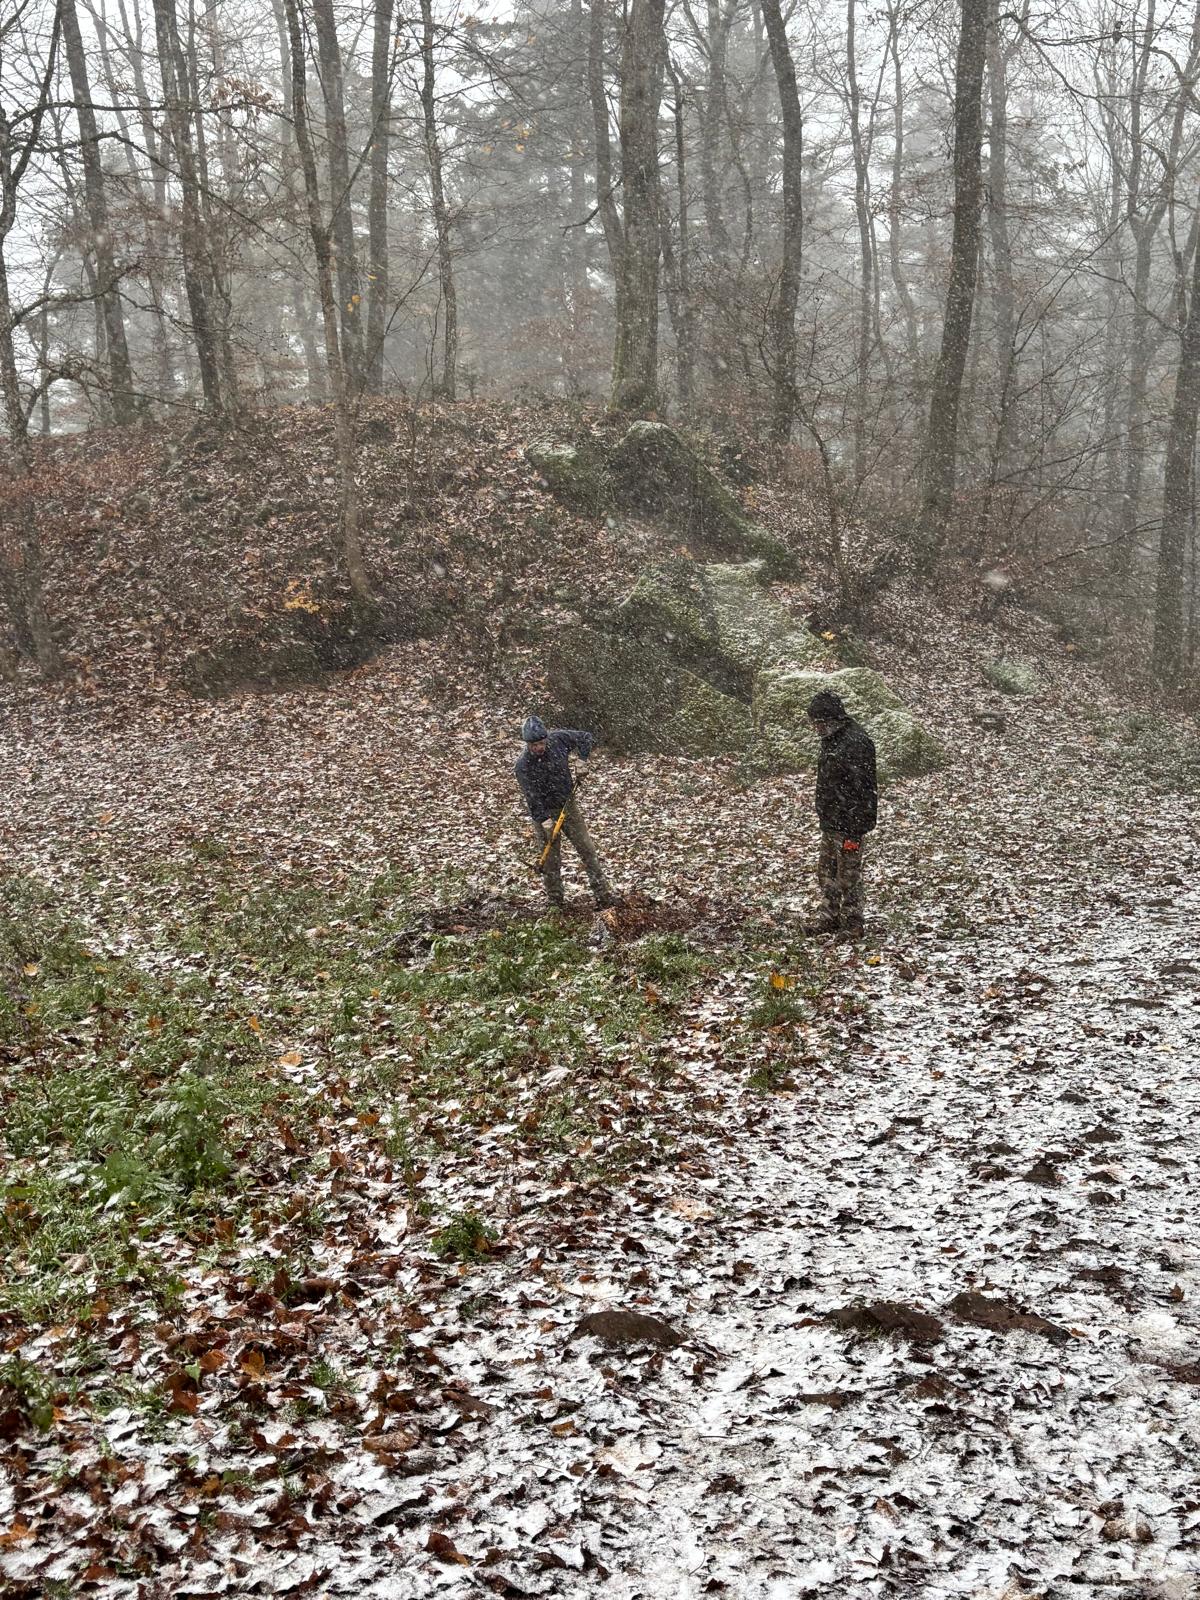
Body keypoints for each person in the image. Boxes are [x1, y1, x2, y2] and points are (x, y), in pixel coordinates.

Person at [515, 717, 615, 911]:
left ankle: (603, 895)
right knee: (551, 860)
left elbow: (585, 738)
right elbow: (531, 797)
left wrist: (582, 760)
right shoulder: (523, 766)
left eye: (542, 743)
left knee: (587, 849)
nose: (539, 748)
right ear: (527, 744)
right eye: (534, 745)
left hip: (568, 806)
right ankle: (555, 902)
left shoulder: (558, 740)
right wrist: (544, 820)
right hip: (544, 812)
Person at [805, 690, 877, 938]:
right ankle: (829, 918)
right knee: (827, 872)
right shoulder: (832, 739)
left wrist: (855, 825)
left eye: (819, 722)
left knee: (848, 875)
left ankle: (854, 922)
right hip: (831, 821)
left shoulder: (856, 743)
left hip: (850, 824)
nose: (816, 728)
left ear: (831, 719)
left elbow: (864, 789)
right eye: (814, 723)